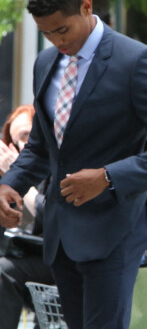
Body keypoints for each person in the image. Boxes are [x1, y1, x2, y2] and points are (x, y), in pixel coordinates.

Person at [0, 0, 147, 329]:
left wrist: (109, 177)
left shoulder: (136, 61)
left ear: (86, 6)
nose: (56, 41)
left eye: (61, 30)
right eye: (45, 33)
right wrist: (10, 185)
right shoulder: (45, 63)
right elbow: (41, 147)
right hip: (60, 234)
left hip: (115, 232)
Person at [0, 105, 54, 329]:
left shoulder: (56, 163)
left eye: (26, 135)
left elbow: (47, 212)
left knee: (4, 270)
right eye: (15, 141)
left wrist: (21, 176)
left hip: (70, 256)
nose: (21, 146)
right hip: (36, 255)